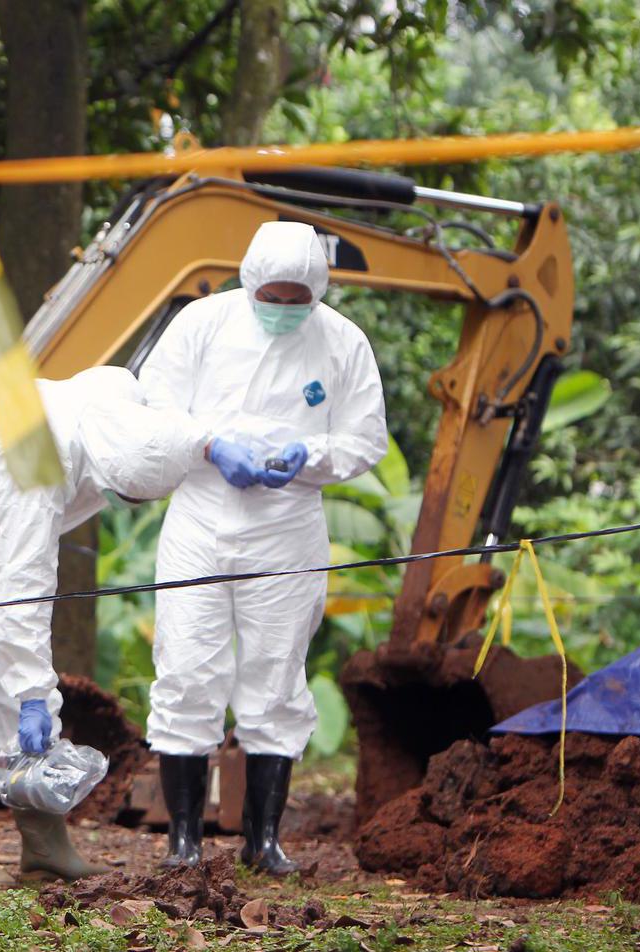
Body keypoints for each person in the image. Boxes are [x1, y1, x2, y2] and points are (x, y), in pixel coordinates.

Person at [139, 221, 388, 875]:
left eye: (294, 300)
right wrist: (209, 445)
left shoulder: (342, 342)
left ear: (316, 292)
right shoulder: (201, 324)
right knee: (187, 668)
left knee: (275, 674)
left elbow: (365, 439)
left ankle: (262, 838)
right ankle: (183, 840)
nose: (281, 311)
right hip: (200, 514)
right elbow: (152, 411)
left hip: (287, 523)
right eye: (270, 298)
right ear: (248, 282)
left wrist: (308, 454)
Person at [0, 365, 210, 884]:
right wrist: (33, 693)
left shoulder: (118, 396)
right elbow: (22, 593)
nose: (129, 505)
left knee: (26, 693)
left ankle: (45, 849)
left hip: (3, 485)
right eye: (128, 495)